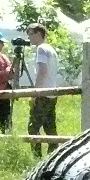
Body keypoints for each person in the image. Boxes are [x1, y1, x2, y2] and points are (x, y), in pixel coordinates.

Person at [24, 24, 59, 157]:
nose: (29, 37)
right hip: (52, 91)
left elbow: (42, 71)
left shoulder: (41, 50)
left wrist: (34, 93)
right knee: (50, 127)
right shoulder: (50, 49)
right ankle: (54, 155)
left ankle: (37, 157)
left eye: (31, 34)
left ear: (39, 34)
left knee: (33, 127)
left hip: (43, 92)